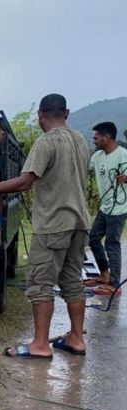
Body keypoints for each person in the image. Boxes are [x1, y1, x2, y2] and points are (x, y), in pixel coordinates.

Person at [0, 94, 91, 359]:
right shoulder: (81, 141)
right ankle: (77, 339)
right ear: (66, 113)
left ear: (41, 116)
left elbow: (25, 182)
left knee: (40, 282)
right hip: (80, 222)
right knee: (72, 280)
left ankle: (40, 345)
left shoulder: (46, 142)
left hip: (54, 224)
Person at [86, 121, 127, 296]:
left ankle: (114, 284)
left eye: (96, 137)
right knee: (93, 238)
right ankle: (104, 274)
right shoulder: (97, 157)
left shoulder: (123, 155)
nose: (94, 141)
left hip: (120, 207)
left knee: (112, 243)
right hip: (105, 207)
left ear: (106, 137)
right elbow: (83, 171)